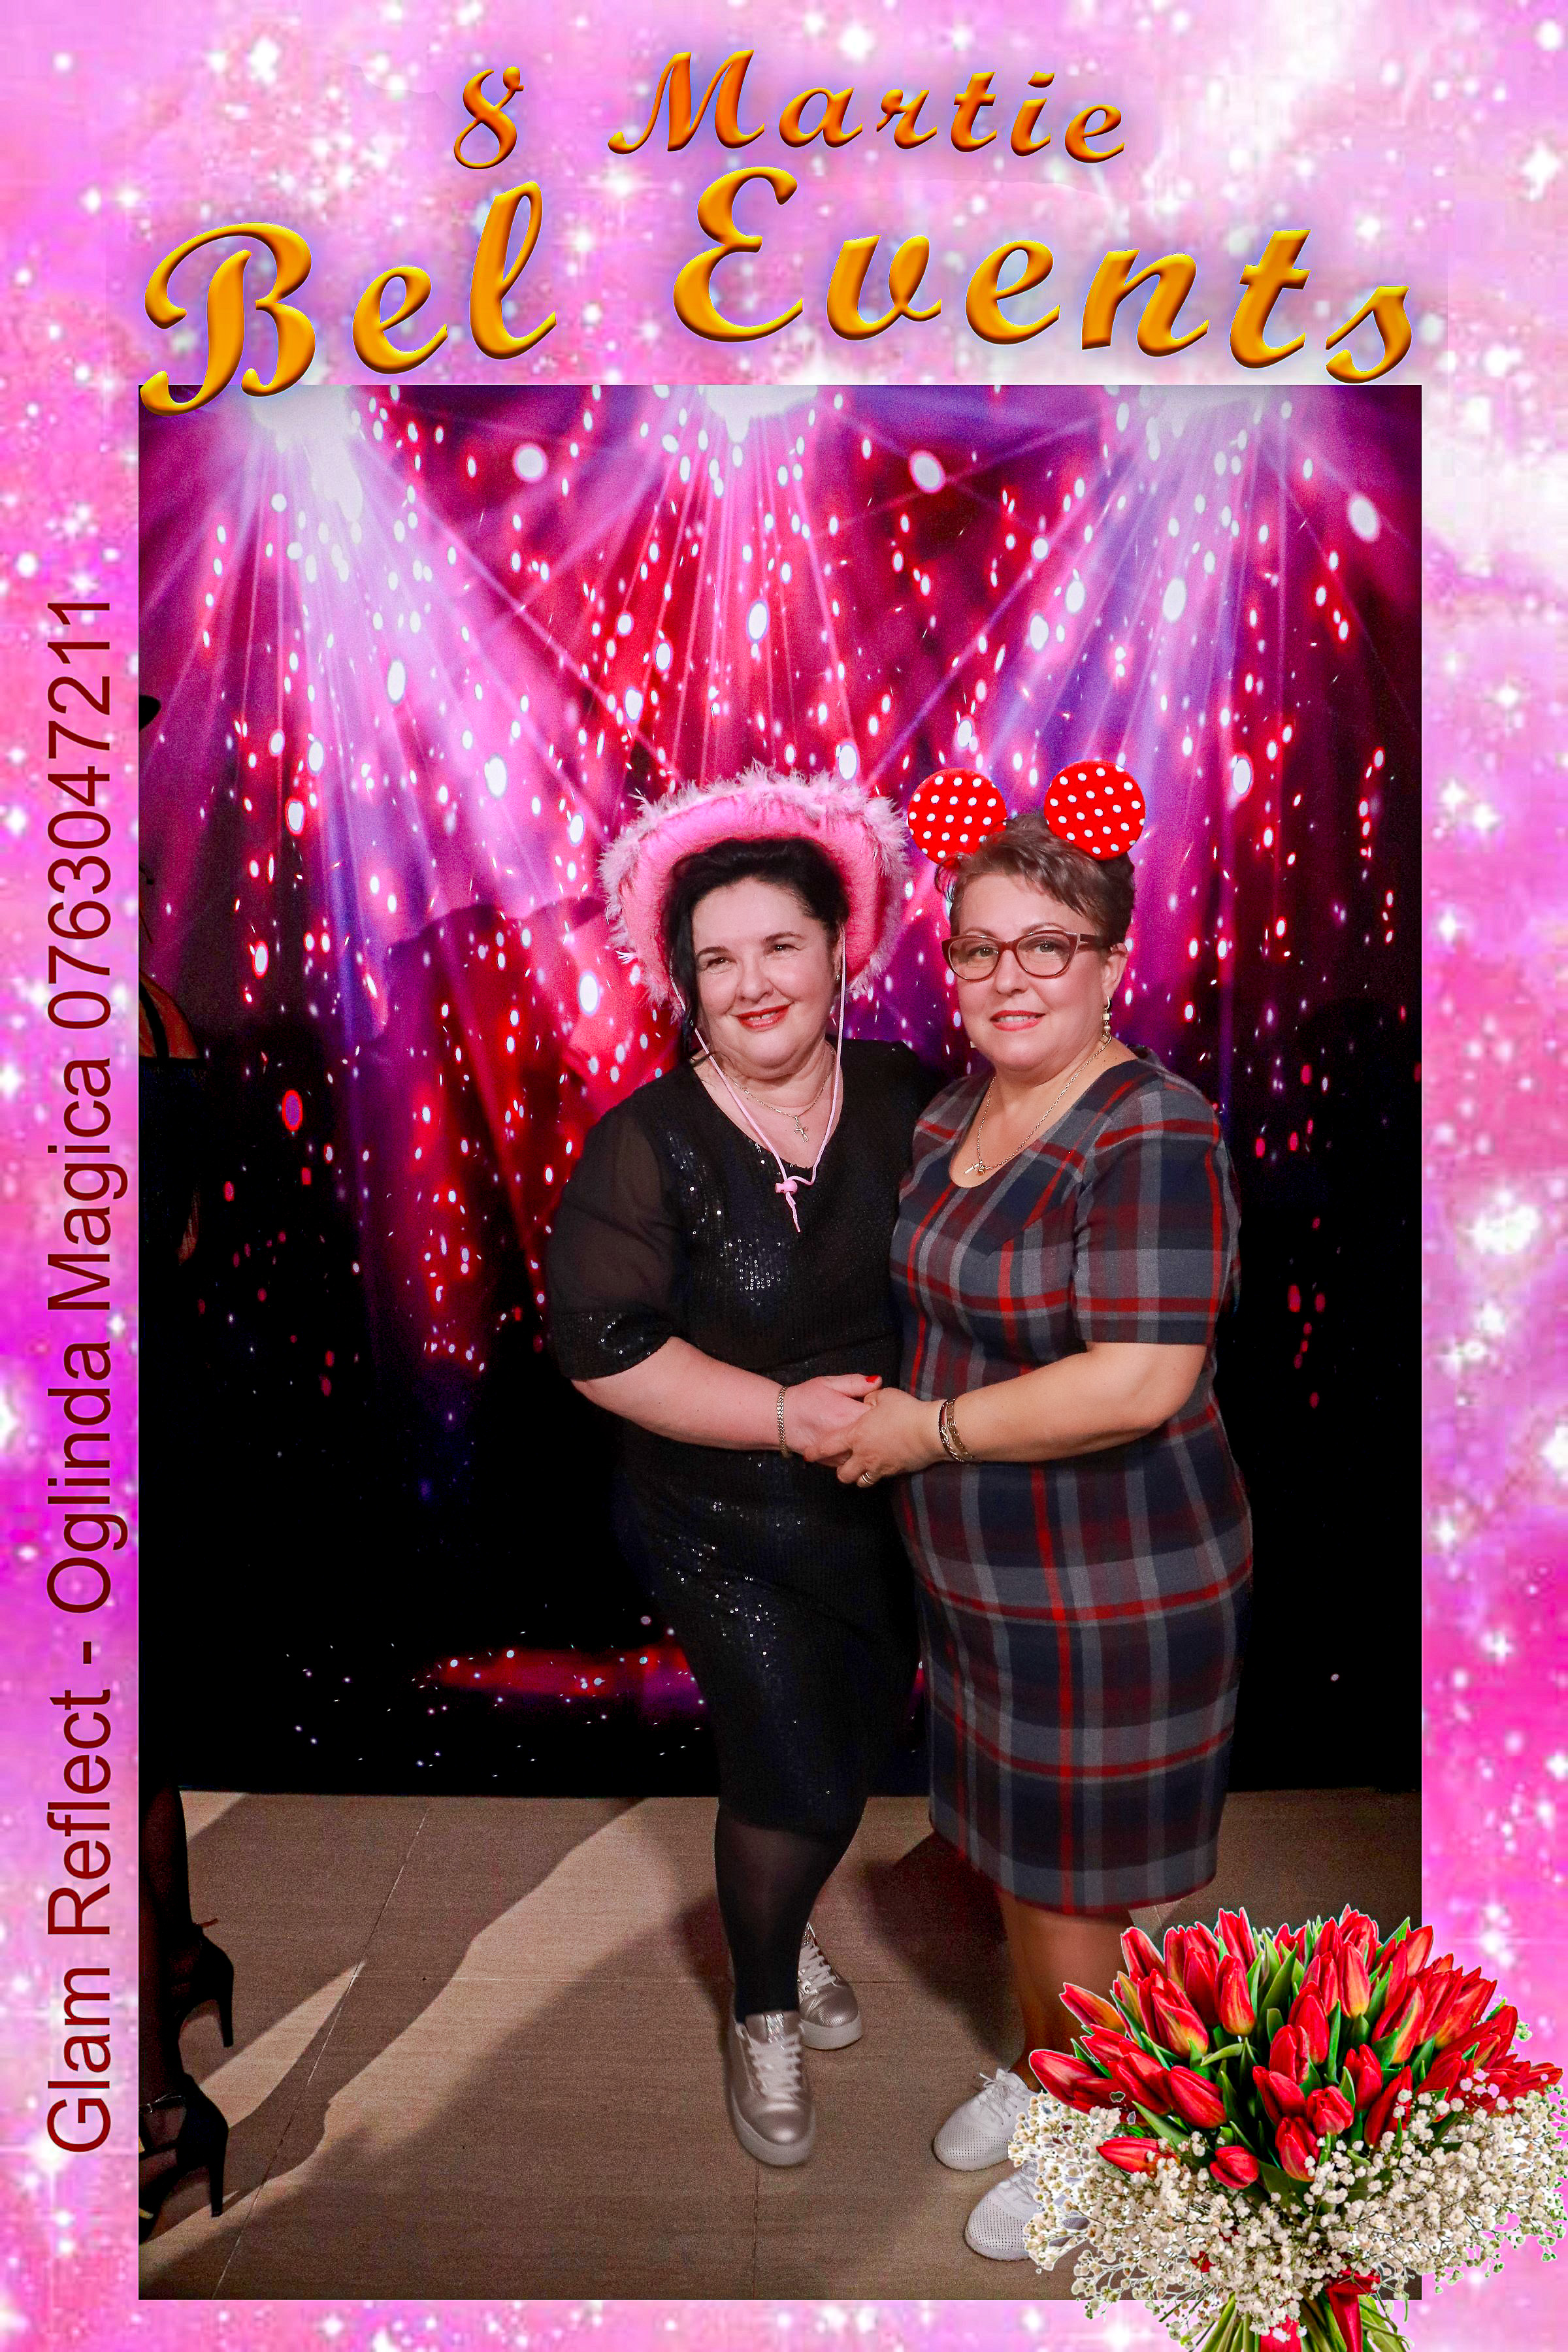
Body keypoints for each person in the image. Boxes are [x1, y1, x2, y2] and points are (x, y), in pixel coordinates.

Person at [834, 794, 1252, 2259]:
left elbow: (1141, 1379)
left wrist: (925, 1432)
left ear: (1112, 962)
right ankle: (1052, 2067)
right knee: (1022, 1868)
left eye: (1048, 946)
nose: (1008, 977)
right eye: (979, 949)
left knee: (1071, 1885)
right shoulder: (953, 1111)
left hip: (1113, 1579)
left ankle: (1106, 2139)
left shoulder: (1152, 1128)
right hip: (982, 1583)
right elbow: (943, 1316)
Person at [548, 768, 934, 2166]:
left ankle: (782, 1926)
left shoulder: (911, 1094)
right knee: (793, 1779)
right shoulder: (649, 1141)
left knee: (854, 1751)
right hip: (722, 1521)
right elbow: (599, 1348)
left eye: (781, 945)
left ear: (842, 953)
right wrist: (783, 1417)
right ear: (686, 985)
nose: (754, 982)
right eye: (719, 961)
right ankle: (763, 1999)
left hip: (889, 1509)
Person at [137, 687, 233, 2240]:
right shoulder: (155, 1008)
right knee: (117, 1747)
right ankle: (175, 1970)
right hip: (131, 1409)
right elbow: (192, 1238)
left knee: (83, 1759)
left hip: (79, 1426)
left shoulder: (118, 1016)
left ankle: (154, 2094)